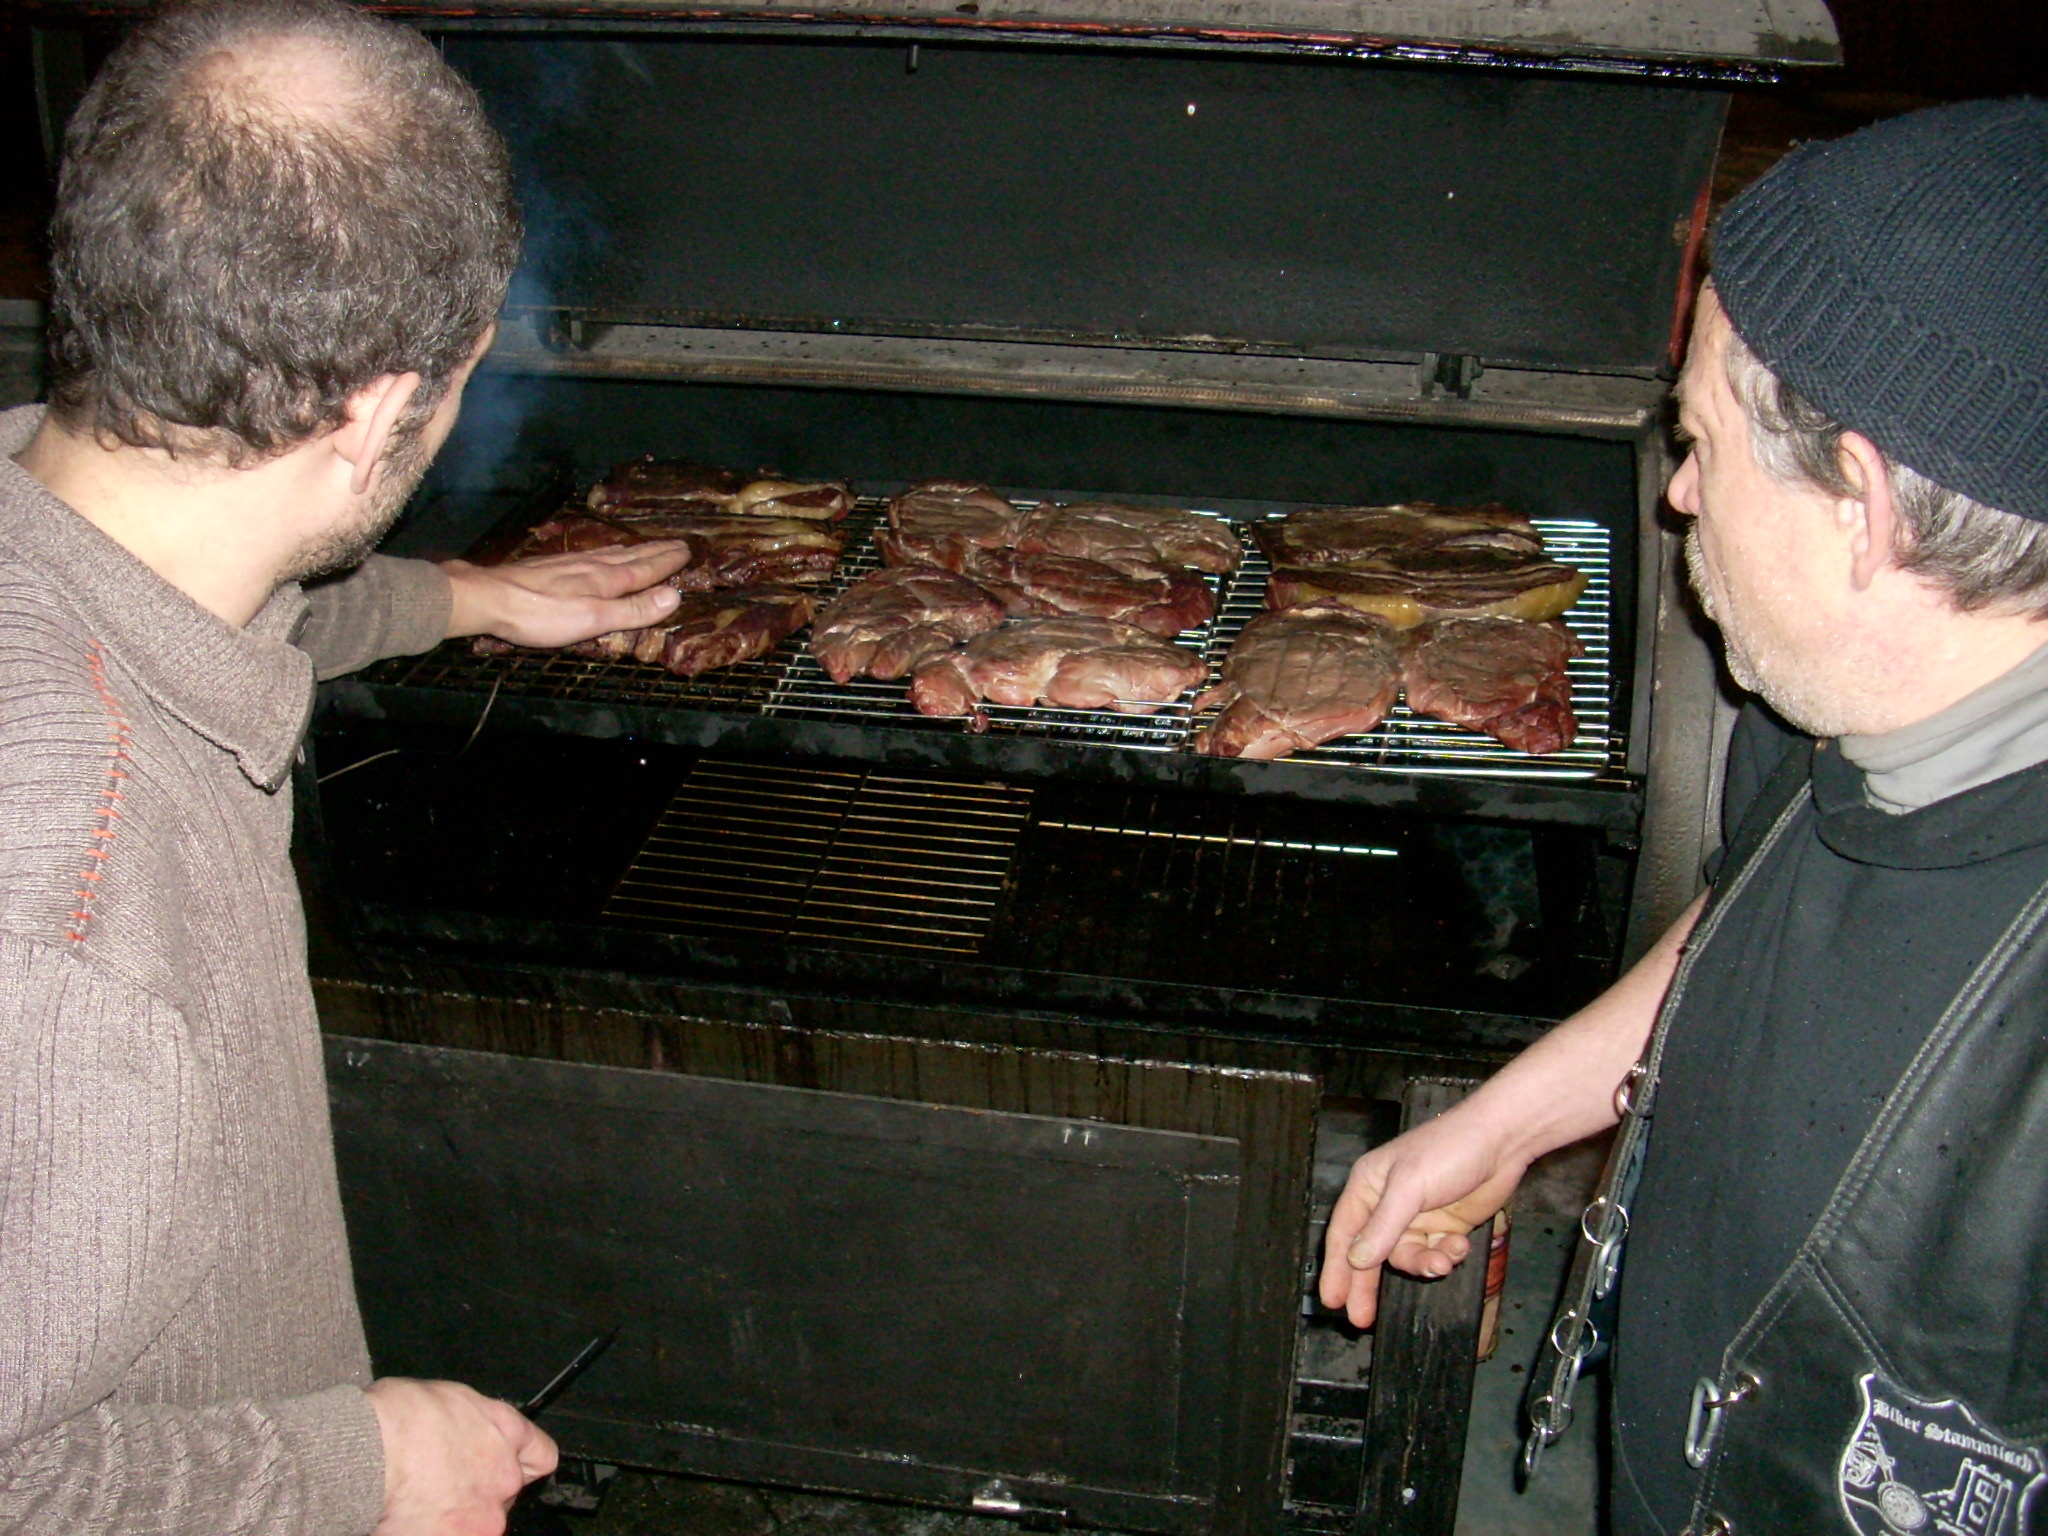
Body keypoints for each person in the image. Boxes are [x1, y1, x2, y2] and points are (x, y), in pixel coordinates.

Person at [0, 2, 692, 1532]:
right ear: (379, 411)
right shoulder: (73, 900)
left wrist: (466, 598)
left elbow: (246, 585)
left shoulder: (51, 527)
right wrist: (368, 1469)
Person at [1320, 98, 2048, 1535]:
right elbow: (1743, 920)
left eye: (1701, 441)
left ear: (1864, 504)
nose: (1681, 497)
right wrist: (1515, 1118)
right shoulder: (1849, 727)